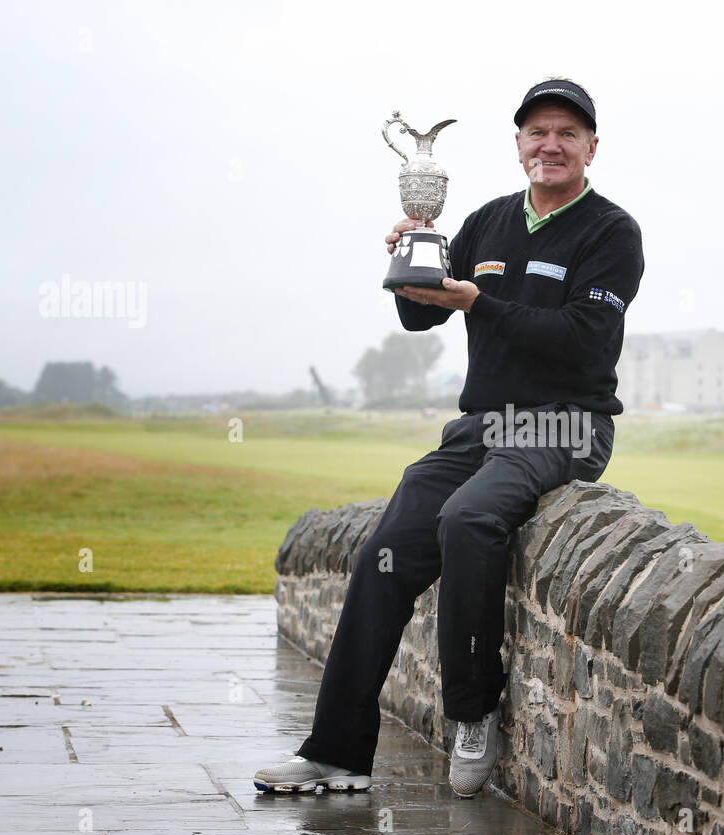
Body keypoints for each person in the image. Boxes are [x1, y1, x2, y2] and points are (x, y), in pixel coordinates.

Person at [255, 78, 644, 798]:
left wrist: (479, 301)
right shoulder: (487, 222)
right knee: (382, 552)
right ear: (519, 145)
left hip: (565, 425)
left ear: (591, 146)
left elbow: (584, 345)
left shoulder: (611, 232)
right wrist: (411, 269)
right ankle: (336, 752)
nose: (550, 145)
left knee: (468, 517)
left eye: (567, 133)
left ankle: (472, 711)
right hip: (480, 426)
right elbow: (422, 321)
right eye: (537, 132)